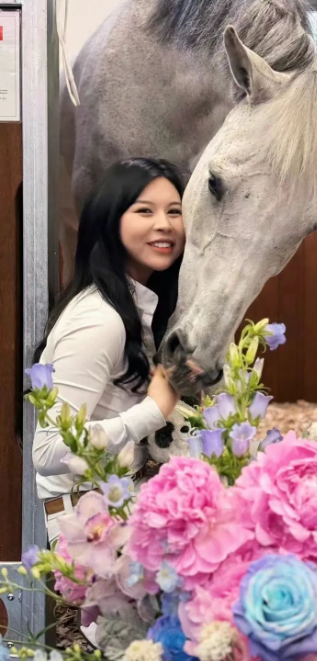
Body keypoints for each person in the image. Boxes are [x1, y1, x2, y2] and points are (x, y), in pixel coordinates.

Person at [32, 157, 186, 543]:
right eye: (145, 211)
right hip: (89, 534)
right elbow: (48, 451)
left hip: (118, 512)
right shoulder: (99, 319)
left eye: (175, 211)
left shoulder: (134, 307)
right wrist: (153, 411)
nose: (165, 224)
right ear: (110, 220)